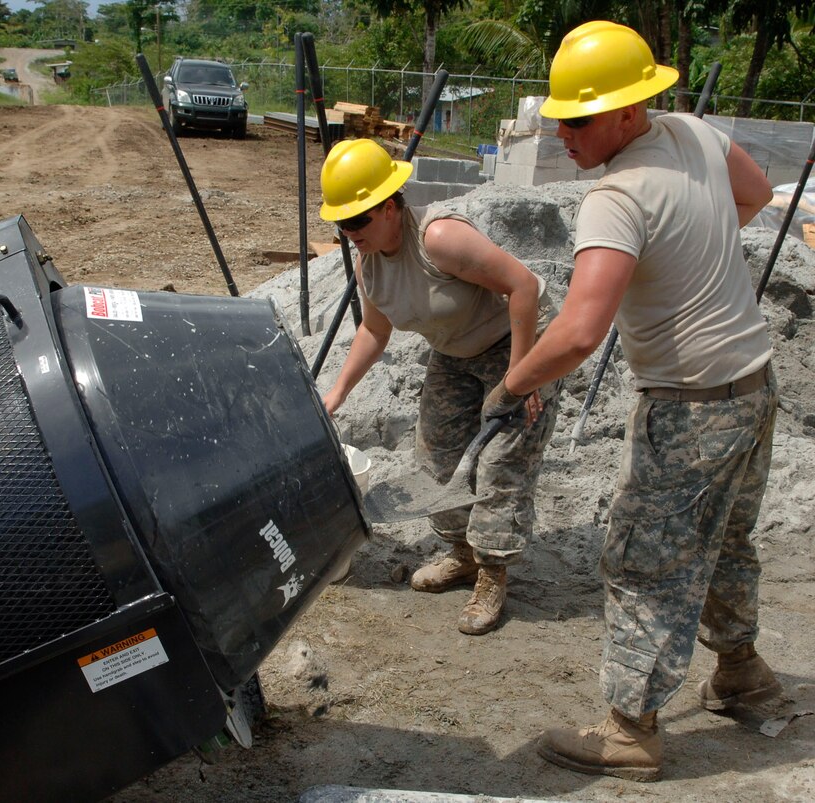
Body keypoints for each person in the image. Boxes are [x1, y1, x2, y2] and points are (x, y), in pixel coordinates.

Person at [482, 20, 782, 781]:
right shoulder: (694, 134)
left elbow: (581, 331)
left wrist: (513, 381)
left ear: (626, 112)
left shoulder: (616, 196)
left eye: (578, 118)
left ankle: (629, 729)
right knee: (726, 538)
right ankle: (741, 672)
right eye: (558, 115)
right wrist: (687, 254)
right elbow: (752, 196)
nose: (562, 131)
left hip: (686, 408)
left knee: (643, 564)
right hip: (753, 384)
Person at [318, 137, 560, 635]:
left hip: (514, 345)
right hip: (453, 355)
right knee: (438, 458)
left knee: (501, 465)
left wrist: (521, 377)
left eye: (358, 220)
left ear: (389, 206)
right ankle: (463, 554)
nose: (348, 232)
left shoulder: (439, 238)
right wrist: (337, 392)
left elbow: (525, 287)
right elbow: (374, 330)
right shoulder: (369, 264)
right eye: (340, 223)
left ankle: (493, 573)